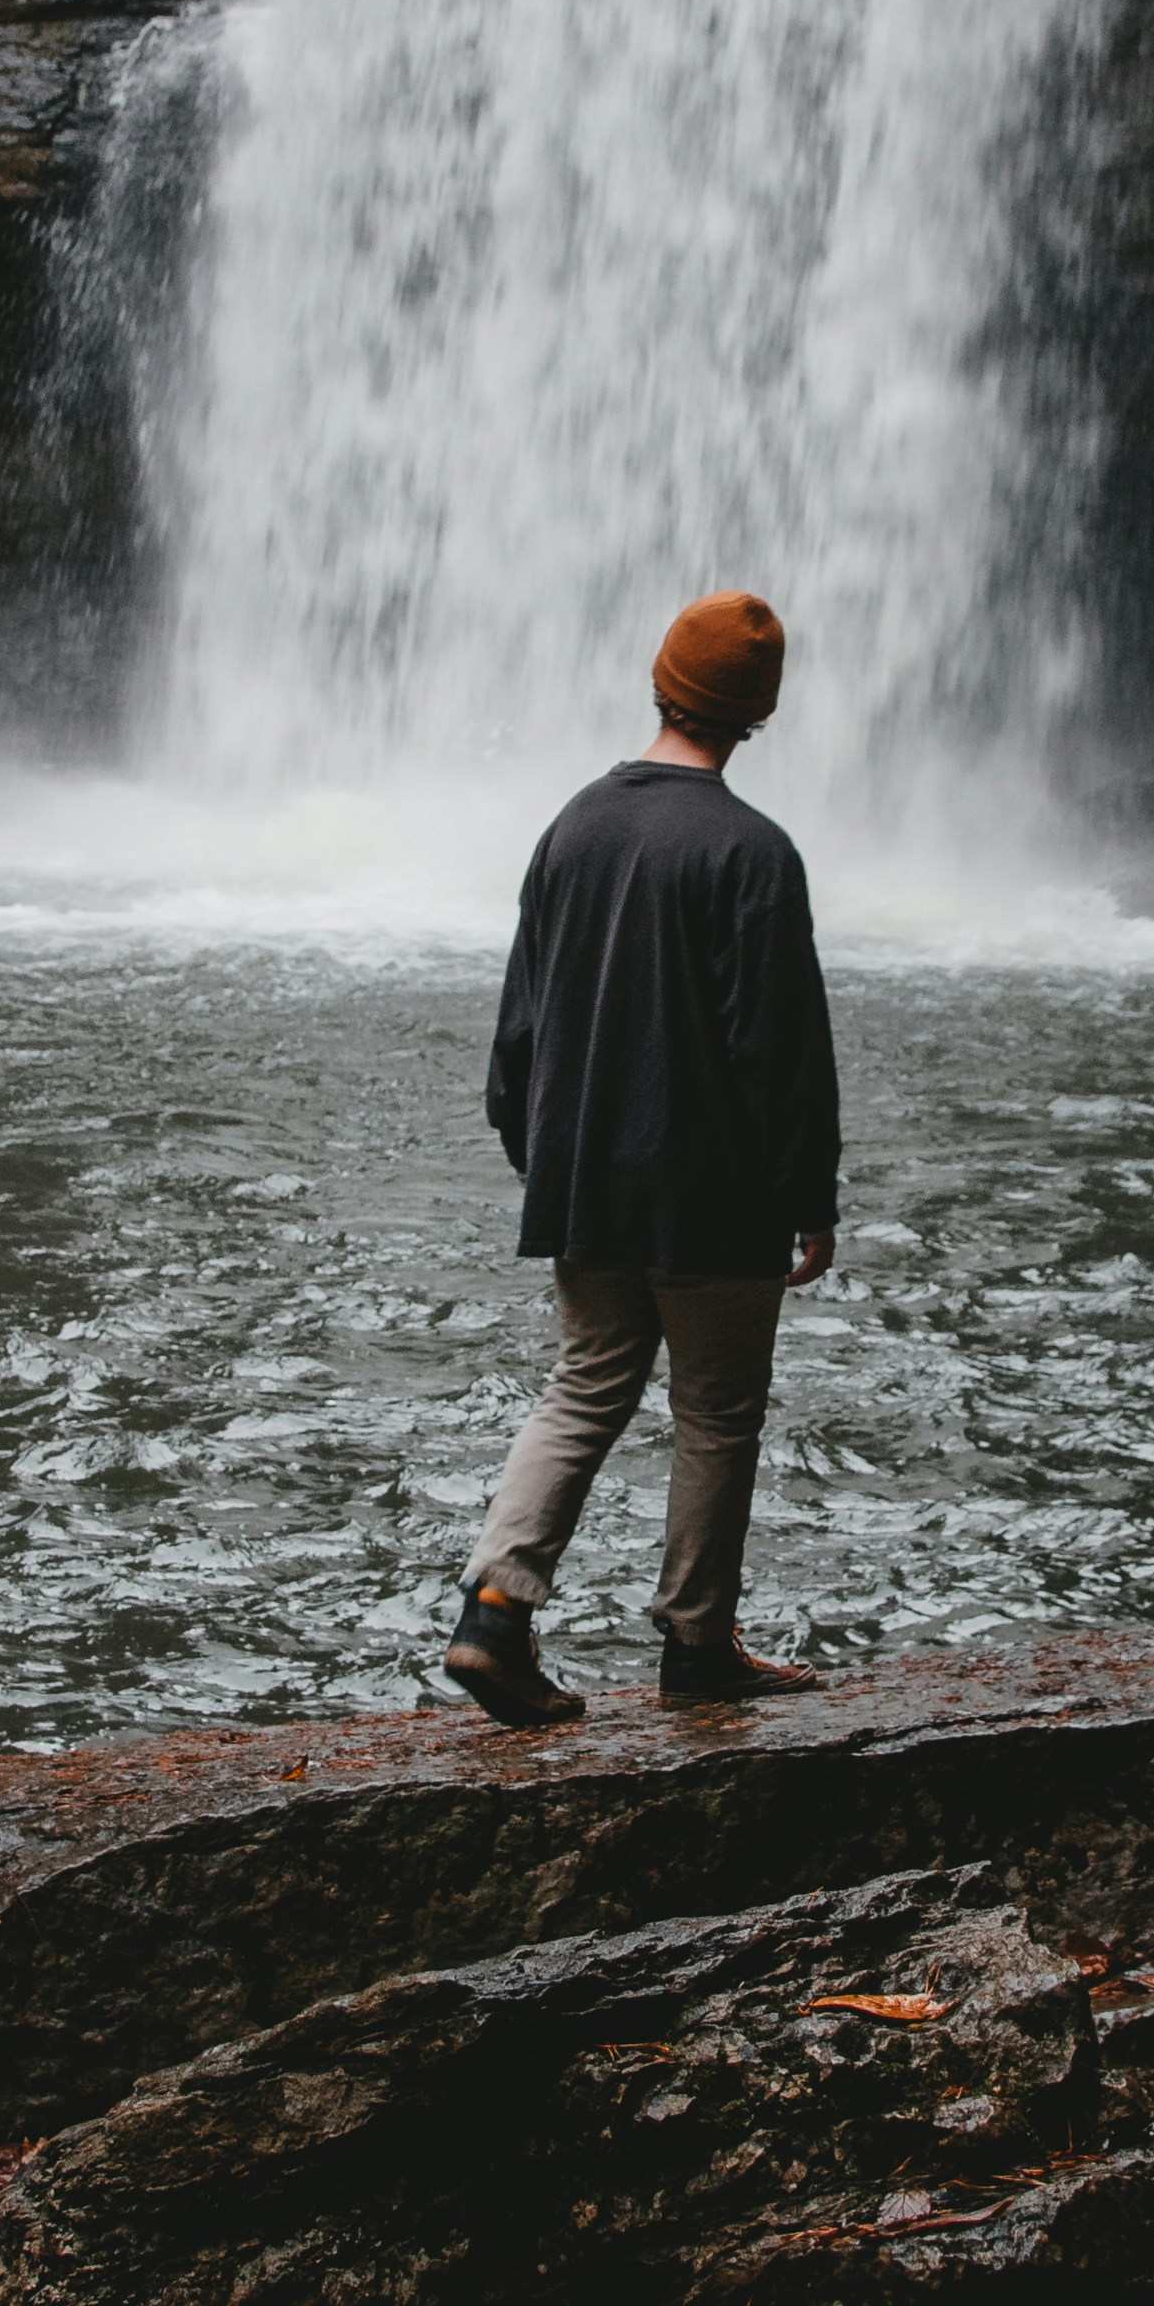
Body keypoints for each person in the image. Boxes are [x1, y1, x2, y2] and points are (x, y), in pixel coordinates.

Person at [445, 590, 842, 1727]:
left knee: (583, 1388)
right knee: (716, 1414)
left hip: (582, 1184)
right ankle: (695, 1644)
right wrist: (808, 1198)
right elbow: (779, 1051)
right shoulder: (752, 853)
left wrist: (542, 1158)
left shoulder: (572, 824)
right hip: (710, 1199)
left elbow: (518, 1028)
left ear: (659, 681)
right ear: (754, 716)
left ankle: (492, 1612)